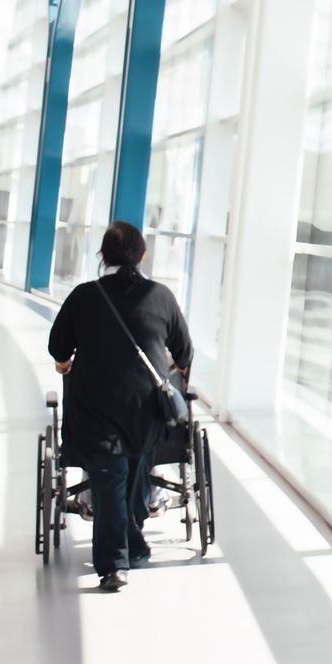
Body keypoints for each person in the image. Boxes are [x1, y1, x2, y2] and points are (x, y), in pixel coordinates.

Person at [46, 222, 192, 592]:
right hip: (146, 411)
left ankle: (115, 564)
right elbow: (185, 353)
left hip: (94, 408)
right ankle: (132, 546)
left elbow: (58, 349)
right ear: (142, 255)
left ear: (103, 256)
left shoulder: (83, 296)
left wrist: (69, 364)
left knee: (111, 479)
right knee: (134, 472)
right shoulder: (161, 297)